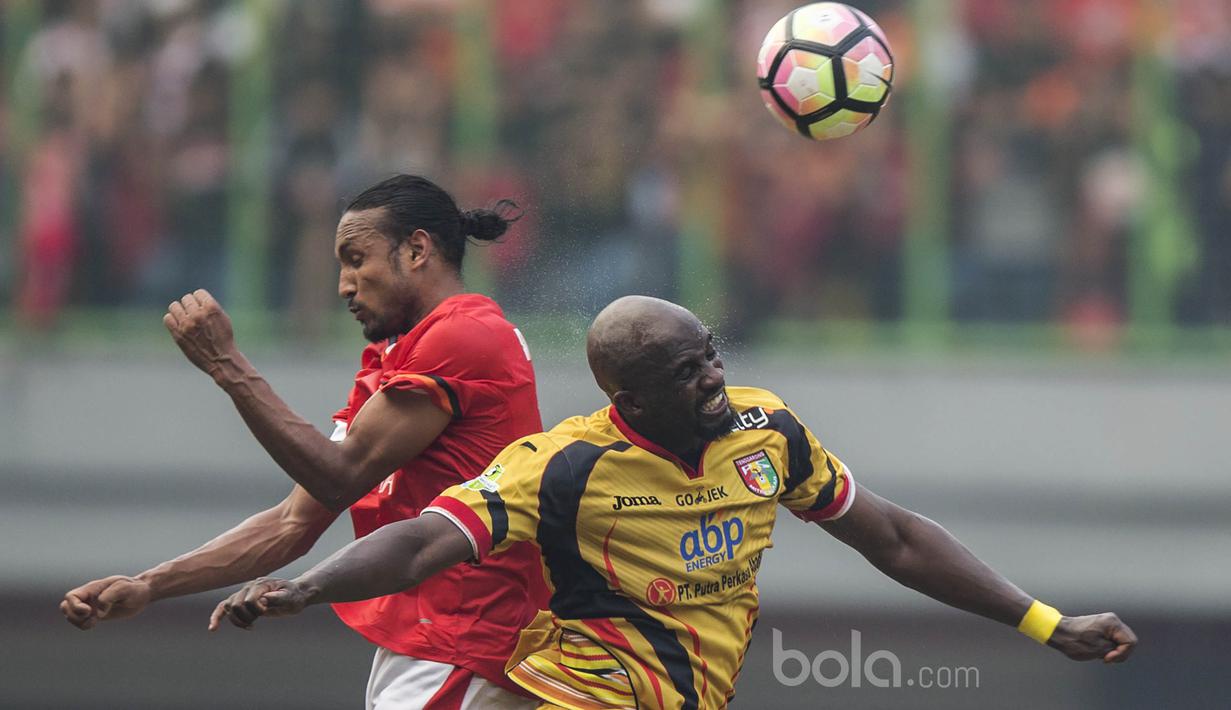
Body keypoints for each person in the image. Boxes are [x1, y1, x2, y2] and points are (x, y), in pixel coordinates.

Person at [210, 295, 1138, 709]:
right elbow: (421, 543)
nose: (715, 379)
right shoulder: (563, 466)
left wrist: (1042, 621)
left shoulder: (766, 434)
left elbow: (891, 537)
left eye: (711, 355)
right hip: (577, 690)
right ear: (633, 398)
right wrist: (304, 587)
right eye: (687, 371)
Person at [61, 174, 548, 709]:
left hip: (468, 639)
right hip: (432, 643)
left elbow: (338, 478)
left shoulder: (464, 335)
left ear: (416, 250)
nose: (344, 285)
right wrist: (150, 585)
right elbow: (293, 522)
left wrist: (228, 366)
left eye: (356, 260)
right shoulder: (397, 358)